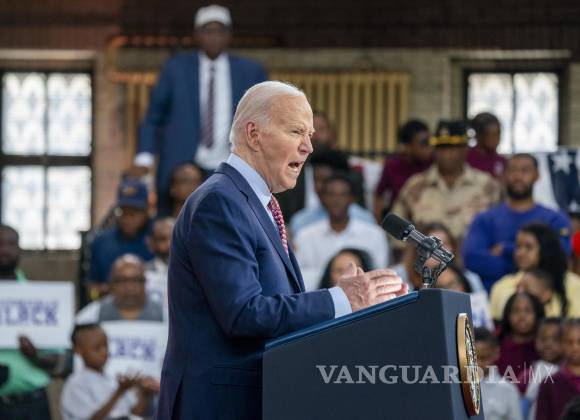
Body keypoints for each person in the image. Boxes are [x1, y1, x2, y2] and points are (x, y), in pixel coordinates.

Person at [158, 81, 408, 419]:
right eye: (296, 131)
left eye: (310, 135)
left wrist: (351, 310)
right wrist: (339, 299)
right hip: (218, 406)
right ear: (254, 134)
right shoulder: (220, 202)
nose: (308, 147)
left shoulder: (254, 202)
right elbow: (242, 313)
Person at [135, 4, 268, 214]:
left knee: (229, 220)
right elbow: (154, 115)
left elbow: (264, 118)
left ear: (229, 35)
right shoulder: (176, 68)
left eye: (220, 30)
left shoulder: (250, 71)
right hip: (183, 166)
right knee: (180, 222)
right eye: (208, 30)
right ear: (196, 34)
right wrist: (144, 158)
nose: (214, 37)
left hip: (231, 164)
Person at [463, 153, 572, 291]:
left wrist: (506, 249)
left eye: (525, 170)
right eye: (512, 170)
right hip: (494, 298)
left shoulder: (555, 219)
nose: (518, 176)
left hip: (545, 297)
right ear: (503, 176)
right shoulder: (484, 219)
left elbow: (559, 257)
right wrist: (528, 262)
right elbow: (472, 259)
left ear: (537, 176)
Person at [391, 120, 501, 245]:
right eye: (441, 148)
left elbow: (500, 227)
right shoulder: (415, 186)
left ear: (465, 149)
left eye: (453, 148)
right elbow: (396, 230)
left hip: (473, 256)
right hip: (424, 256)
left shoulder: (487, 185)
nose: (446, 154)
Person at [0, 225, 70, 420]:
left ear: (20, 250)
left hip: (31, 405)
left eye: (10, 244)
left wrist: (35, 355)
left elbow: (59, 363)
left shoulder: (40, 300)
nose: (4, 250)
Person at [294, 173, 390, 290]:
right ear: (322, 198)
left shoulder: (374, 235)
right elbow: (298, 279)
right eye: (331, 194)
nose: (336, 200)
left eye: (343, 194)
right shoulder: (305, 236)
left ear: (352, 199)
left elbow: (378, 276)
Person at [61, 324, 158, 420]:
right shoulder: (76, 384)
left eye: (106, 346)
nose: (104, 352)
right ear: (78, 349)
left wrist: (144, 390)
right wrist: (119, 392)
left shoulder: (112, 380)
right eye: (97, 348)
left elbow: (135, 412)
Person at [490, 223, 580, 321]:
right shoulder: (503, 285)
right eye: (518, 246)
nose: (520, 253)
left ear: (546, 249)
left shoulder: (572, 283)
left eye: (529, 247)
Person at [87, 178, 154, 299]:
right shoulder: (101, 242)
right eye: (122, 212)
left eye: (133, 213)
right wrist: (102, 292)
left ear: (146, 212)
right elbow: (92, 290)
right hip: (110, 305)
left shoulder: (158, 239)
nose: (127, 219)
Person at [289, 150, 375, 237]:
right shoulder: (301, 222)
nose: (320, 187)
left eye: (324, 180)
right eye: (316, 180)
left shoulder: (364, 220)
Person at [77, 254, 165, 324]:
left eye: (136, 280)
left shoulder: (165, 317)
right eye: (122, 280)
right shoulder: (90, 317)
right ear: (111, 283)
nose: (129, 287)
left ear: (145, 282)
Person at [374, 119, 433, 220]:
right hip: (401, 221)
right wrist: (379, 224)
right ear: (408, 146)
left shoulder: (434, 163)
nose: (429, 148)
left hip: (429, 219)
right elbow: (379, 195)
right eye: (424, 143)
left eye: (430, 142)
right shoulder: (392, 166)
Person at [474, 327, 523, 420]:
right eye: (473, 359)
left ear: (496, 353)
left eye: (483, 358)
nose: (478, 363)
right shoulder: (458, 387)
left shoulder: (508, 390)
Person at [518, 318, 562, 420]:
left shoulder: (570, 373)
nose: (548, 344)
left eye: (555, 339)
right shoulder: (528, 375)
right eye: (543, 339)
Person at [535, 319, 580, 420]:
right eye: (569, 342)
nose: (575, 347)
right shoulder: (549, 384)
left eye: (579, 342)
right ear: (560, 344)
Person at [497, 292, 544, 377]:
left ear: (537, 314)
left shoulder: (544, 347)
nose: (522, 316)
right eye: (516, 311)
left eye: (528, 311)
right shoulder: (497, 346)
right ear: (508, 315)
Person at [144, 218, 175, 311]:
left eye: (173, 238)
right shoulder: (142, 273)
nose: (169, 244)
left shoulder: (195, 271)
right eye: (163, 239)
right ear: (151, 244)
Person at [467, 112, 507, 178]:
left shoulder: (502, 161)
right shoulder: (467, 158)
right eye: (492, 135)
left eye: (498, 134)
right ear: (479, 136)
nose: (497, 139)